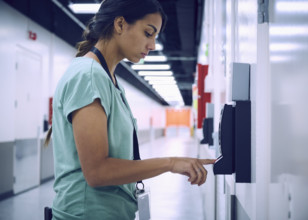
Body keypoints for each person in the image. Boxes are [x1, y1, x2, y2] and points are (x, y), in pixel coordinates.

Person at [44, 0, 216, 219]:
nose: (152, 45)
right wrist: (170, 163)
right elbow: (97, 172)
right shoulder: (88, 76)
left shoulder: (110, 81)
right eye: (148, 33)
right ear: (120, 24)